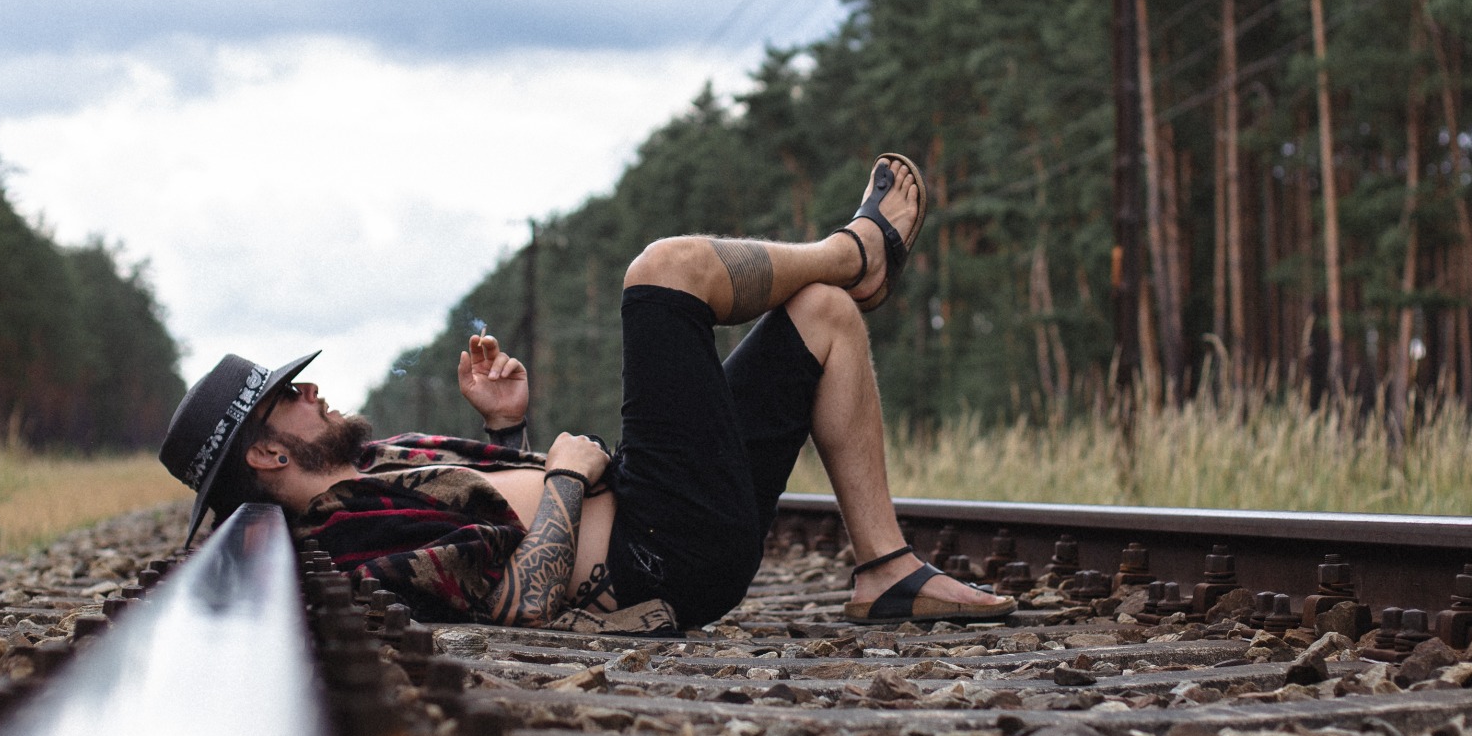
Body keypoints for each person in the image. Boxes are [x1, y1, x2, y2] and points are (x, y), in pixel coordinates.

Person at [158, 153, 1013, 631]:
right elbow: (521, 601)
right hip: (657, 552)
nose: (312, 388)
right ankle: (858, 251)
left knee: (823, 315)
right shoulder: (348, 539)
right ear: (267, 452)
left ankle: (885, 567)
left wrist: (508, 432)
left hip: (655, 506)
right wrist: (566, 474)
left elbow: (504, 521)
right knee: (664, 272)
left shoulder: (382, 463)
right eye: (288, 394)